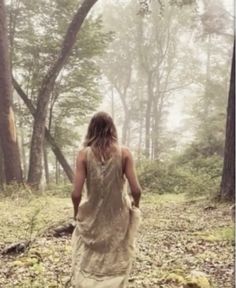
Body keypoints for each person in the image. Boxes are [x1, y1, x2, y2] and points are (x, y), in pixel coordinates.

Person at [71, 111, 142, 288]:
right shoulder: (124, 153)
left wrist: (76, 213)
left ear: (91, 129)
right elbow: (136, 190)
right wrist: (135, 206)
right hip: (118, 213)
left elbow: (76, 194)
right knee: (117, 253)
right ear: (112, 129)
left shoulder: (83, 155)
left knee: (90, 253)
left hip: (92, 214)